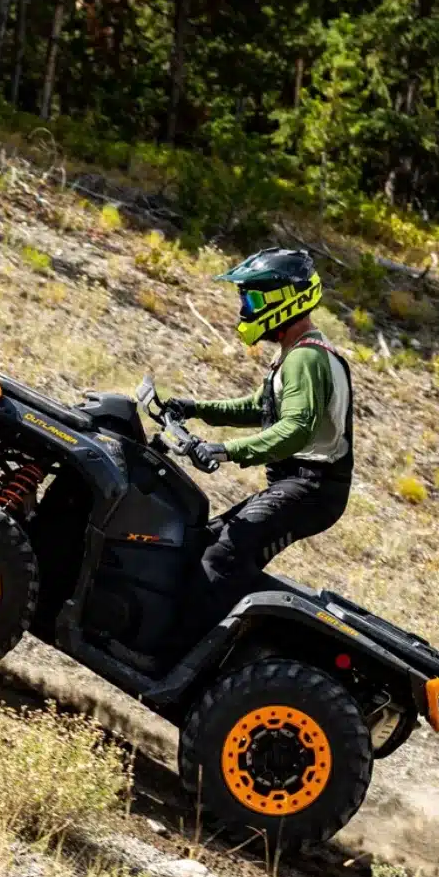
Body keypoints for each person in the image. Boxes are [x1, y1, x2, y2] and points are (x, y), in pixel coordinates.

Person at [166, 248, 354, 640]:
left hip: (311, 489)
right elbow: (259, 407)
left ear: (283, 301)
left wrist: (227, 450)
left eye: (251, 299)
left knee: (224, 556)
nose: (243, 310)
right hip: (300, 485)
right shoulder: (296, 354)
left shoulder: (306, 359)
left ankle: (186, 654)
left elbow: (296, 430)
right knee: (208, 538)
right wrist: (195, 408)